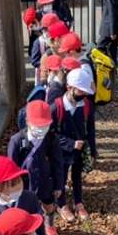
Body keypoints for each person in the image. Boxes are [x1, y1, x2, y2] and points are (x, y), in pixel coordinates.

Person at [8, 100, 64, 235]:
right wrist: (13, 188)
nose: (41, 129)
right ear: (27, 121)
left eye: (45, 125)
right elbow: (12, 167)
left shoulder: (51, 138)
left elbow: (58, 163)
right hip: (24, 183)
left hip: (46, 180)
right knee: (25, 208)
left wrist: (59, 185)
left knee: (49, 205)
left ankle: (49, 225)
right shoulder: (17, 141)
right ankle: (27, 229)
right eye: (38, 125)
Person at [51, 68, 96, 223]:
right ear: (69, 88)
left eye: (85, 92)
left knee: (77, 176)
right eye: (80, 91)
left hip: (80, 150)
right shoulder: (56, 107)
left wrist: (93, 151)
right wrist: (70, 144)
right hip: (60, 151)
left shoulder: (87, 105)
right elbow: (50, 134)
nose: (83, 95)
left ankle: (78, 202)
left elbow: (90, 129)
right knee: (61, 177)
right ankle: (61, 204)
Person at [31, 13, 59, 85]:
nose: (46, 32)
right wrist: (46, 65)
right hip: (43, 76)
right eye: (45, 29)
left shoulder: (58, 39)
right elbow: (34, 61)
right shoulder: (38, 42)